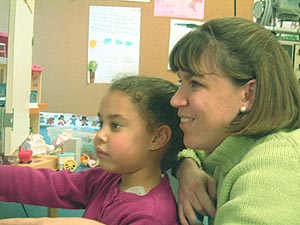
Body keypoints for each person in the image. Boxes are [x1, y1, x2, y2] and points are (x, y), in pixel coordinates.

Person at [0, 75, 185, 225]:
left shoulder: (152, 216)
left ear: (157, 138)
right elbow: (48, 185)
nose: (100, 135)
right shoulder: (108, 179)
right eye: (101, 123)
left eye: (116, 125)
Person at [169, 17, 300, 225]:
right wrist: (187, 166)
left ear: (248, 95)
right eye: (180, 82)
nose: (176, 100)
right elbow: (194, 153)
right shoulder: (231, 145)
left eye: (195, 83)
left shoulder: (274, 169)